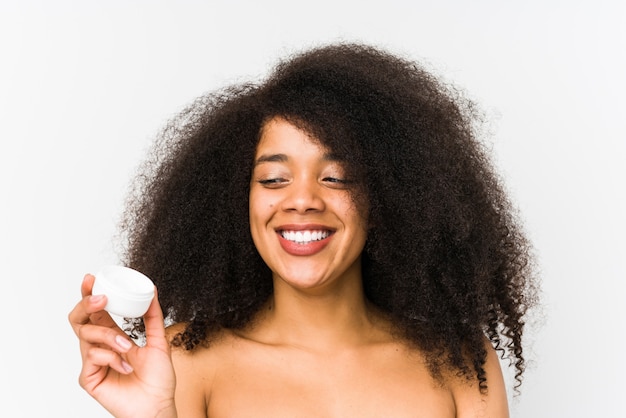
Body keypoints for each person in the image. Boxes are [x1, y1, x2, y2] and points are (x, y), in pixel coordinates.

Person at [69, 43, 537, 417]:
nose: (302, 199)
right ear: (239, 201)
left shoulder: (461, 362)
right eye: (273, 179)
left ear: (387, 200)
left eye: (336, 177)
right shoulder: (183, 361)